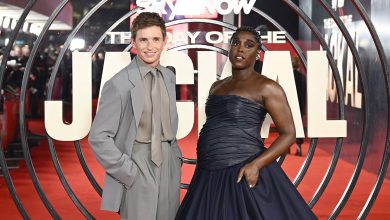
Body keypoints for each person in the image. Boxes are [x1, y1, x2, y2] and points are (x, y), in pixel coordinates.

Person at [175, 26, 316, 220]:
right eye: (236, 43)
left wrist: (256, 165)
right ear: (230, 48)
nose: (240, 49)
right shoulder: (218, 86)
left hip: (242, 170)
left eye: (248, 45)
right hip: (207, 174)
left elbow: (289, 133)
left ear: (258, 54)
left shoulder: (267, 87)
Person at [88, 12, 182, 220]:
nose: (150, 47)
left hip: (168, 162)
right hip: (138, 162)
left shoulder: (168, 76)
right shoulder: (119, 83)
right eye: (143, 40)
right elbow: (98, 137)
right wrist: (128, 171)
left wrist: (176, 159)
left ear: (164, 42)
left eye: (156, 39)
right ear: (133, 43)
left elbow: (169, 124)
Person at [291, 56, 307, 156]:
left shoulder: (287, 76)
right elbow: (304, 93)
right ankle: (298, 147)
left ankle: (286, 148)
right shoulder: (302, 77)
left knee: (285, 126)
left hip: (288, 105)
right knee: (298, 127)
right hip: (300, 105)